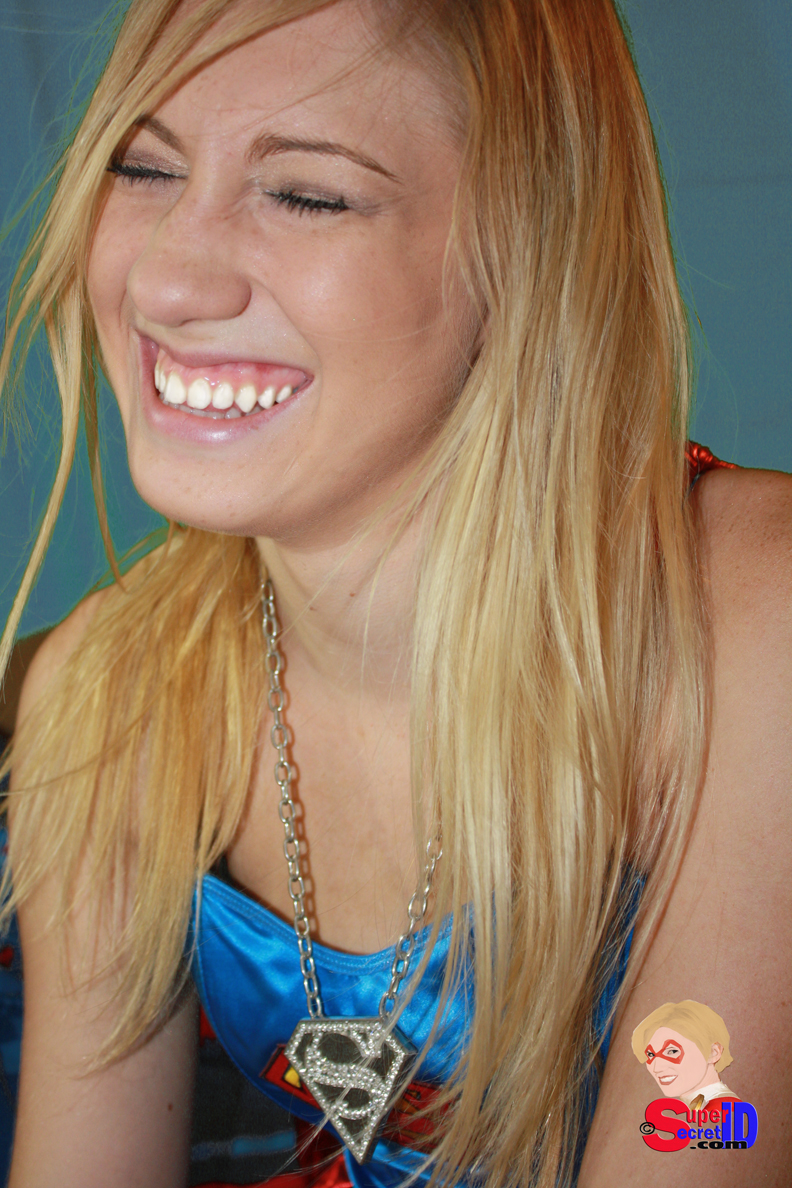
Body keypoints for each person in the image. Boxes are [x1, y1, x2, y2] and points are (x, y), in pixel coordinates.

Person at [0, 1, 790, 1186]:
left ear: (527, 249)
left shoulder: (750, 626)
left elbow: (716, 1130)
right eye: (144, 168)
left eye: (305, 195)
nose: (165, 279)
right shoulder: (113, 691)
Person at [631, 1000, 739, 1111]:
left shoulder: (727, 1110)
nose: (656, 1067)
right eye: (650, 1055)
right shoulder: (691, 1108)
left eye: (672, 1052)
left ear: (713, 1052)